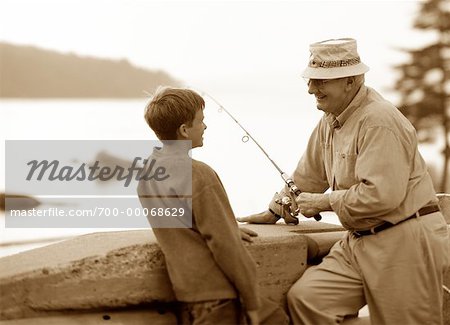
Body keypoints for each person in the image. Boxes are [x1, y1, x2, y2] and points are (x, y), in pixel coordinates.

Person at [238, 38, 449, 324]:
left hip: (405, 240)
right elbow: (307, 176)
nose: (311, 89)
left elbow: (382, 196)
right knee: (309, 300)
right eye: (311, 80)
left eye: (320, 81)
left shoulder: (378, 121)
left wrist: (324, 202)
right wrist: (276, 209)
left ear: (350, 81)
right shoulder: (330, 119)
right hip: (359, 242)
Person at [137, 87, 287, 325]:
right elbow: (225, 246)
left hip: (186, 290)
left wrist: (226, 225)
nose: (205, 127)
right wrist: (252, 302)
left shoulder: (148, 172)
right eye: (201, 121)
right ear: (184, 130)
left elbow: (181, 225)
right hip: (218, 293)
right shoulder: (199, 174)